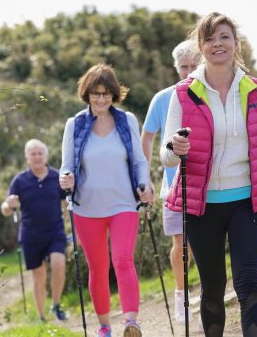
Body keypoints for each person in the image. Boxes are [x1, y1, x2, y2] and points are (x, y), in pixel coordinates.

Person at [160, 12, 257, 337]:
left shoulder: (256, 89)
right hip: (203, 205)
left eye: (225, 37)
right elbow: (166, 156)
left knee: (249, 285)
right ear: (200, 46)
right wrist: (175, 147)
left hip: (247, 200)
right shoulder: (184, 92)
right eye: (210, 38)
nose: (218, 44)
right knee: (213, 288)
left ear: (236, 43)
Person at [59, 63, 153, 337]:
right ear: (87, 94)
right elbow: (66, 165)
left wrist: (144, 185)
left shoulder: (127, 120)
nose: (101, 99)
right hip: (87, 207)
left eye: (106, 94)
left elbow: (139, 160)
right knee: (98, 268)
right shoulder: (74, 124)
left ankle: (131, 323)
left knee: (123, 260)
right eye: (96, 94)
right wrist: (66, 178)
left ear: (114, 94)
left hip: (124, 202)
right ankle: (104, 327)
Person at [141, 39, 201, 324]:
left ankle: (205, 295)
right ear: (176, 68)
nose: (189, 71)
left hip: (207, 185)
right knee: (180, 243)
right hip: (173, 187)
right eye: (183, 67)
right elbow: (148, 137)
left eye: (194, 65)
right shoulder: (163, 97)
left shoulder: (211, 94)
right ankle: (182, 296)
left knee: (204, 245)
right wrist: (145, 178)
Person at [1, 139, 68, 323]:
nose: (37, 157)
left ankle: (56, 305)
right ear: (27, 158)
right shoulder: (20, 180)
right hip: (31, 235)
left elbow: (69, 200)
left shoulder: (56, 177)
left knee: (59, 265)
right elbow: (6, 209)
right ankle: (41, 317)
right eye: (33, 154)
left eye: (40, 153)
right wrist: (8, 205)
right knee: (39, 277)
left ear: (46, 156)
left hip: (55, 231)